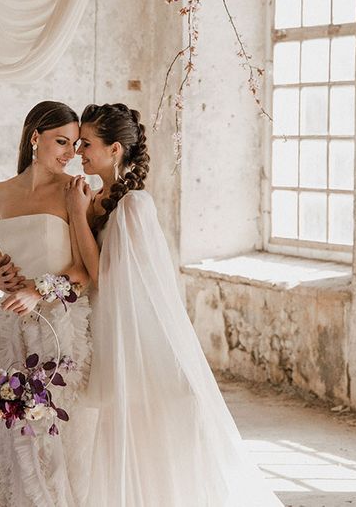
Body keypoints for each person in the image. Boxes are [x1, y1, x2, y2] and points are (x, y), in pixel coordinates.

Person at [65, 102, 283, 507]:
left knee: (151, 422)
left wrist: (78, 215)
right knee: (121, 425)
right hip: (104, 325)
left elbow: (106, 277)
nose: (79, 153)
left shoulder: (134, 206)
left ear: (115, 150)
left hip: (137, 331)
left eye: (87, 145)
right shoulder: (95, 198)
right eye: (77, 145)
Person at [0, 101, 94, 507]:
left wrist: (38, 293)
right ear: (35, 138)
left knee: (47, 434)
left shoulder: (74, 191)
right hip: (7, 326)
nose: (71, 153)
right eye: (61, 141)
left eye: (76, 144)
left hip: (58, 328)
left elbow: (84, 273)